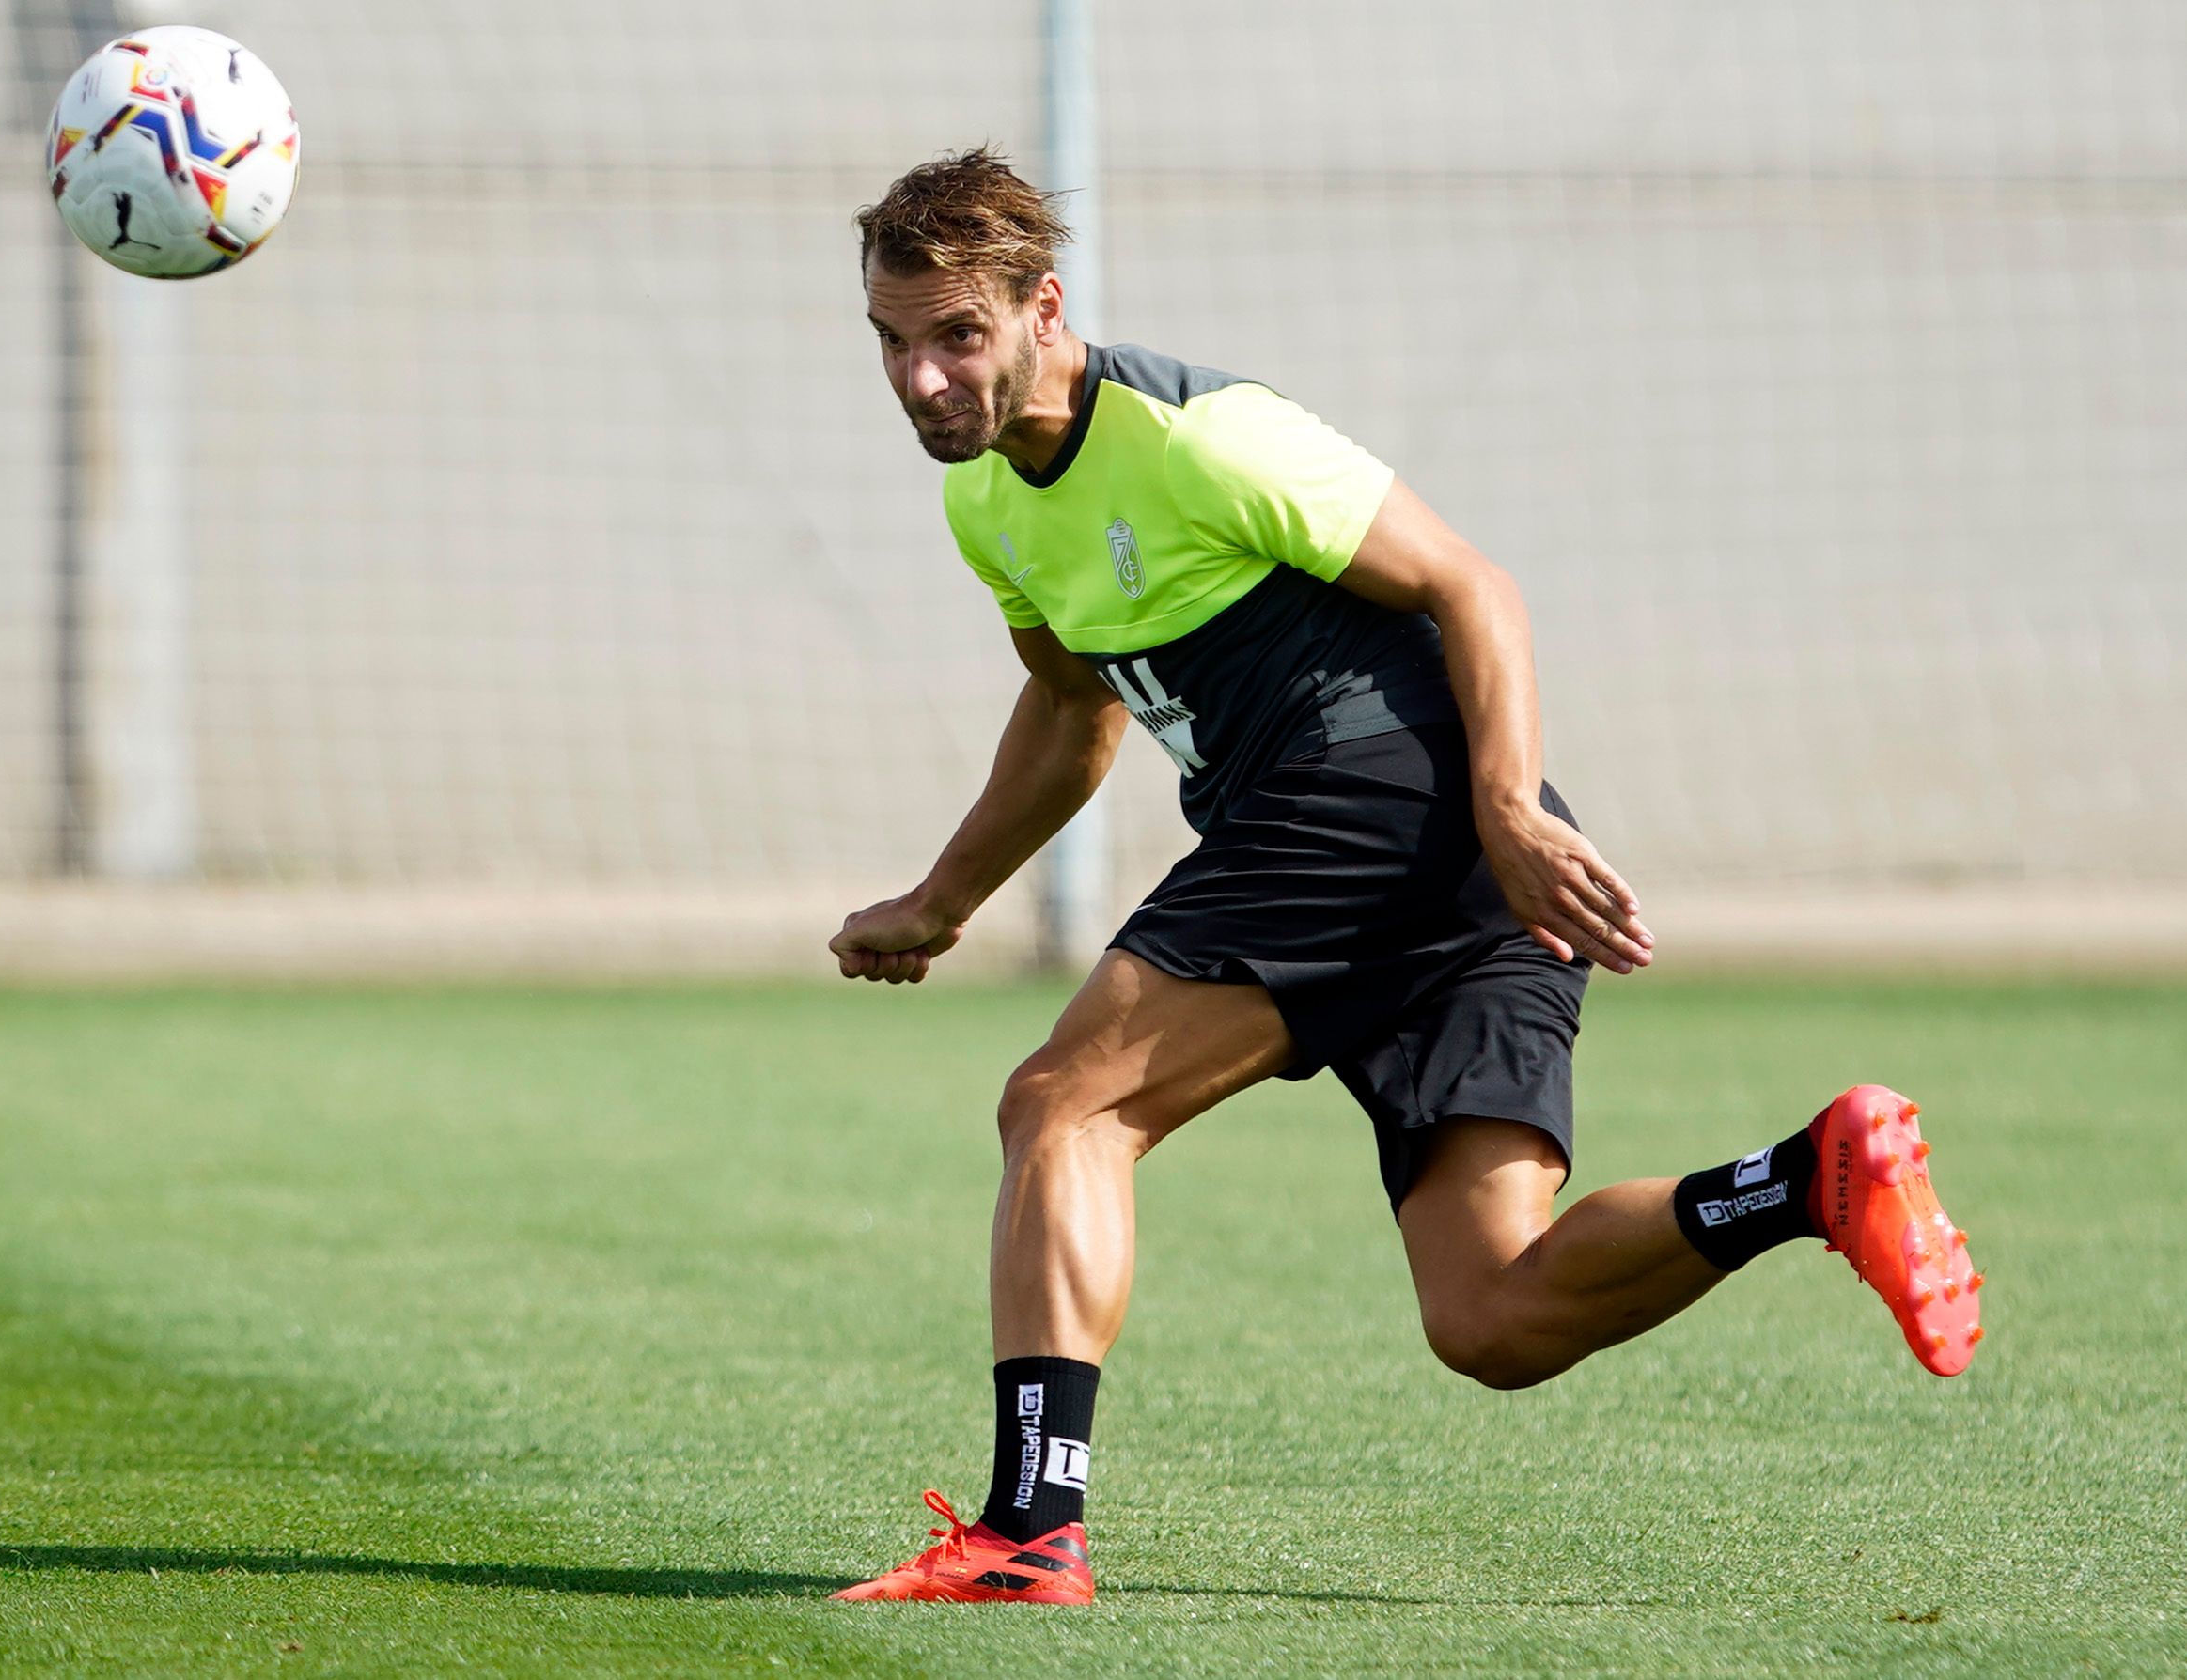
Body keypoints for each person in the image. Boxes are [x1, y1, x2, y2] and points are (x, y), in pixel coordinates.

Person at [825, 149, 1980, 1606]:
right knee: (1492, 1313)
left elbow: (1468, 585)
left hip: (1391, 800)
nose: (920, 377)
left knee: (1067, 1103)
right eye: (891, 340)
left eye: (955, 336)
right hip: (1446, 859)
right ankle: (1805, 1180)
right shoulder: (988, 504)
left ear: (1042, 307)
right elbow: (1071, 708)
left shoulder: (1199, 435)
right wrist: (944, 898)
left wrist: (1502, 804)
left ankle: (1026, 1530)